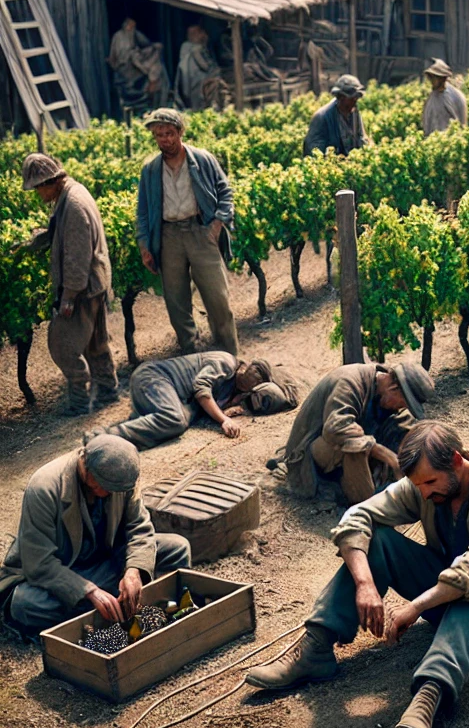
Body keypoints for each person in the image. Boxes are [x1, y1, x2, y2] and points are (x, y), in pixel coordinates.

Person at [245, 422, 469, 728]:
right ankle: (315, 649)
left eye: (430, 482)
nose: (424, 493)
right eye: (418, 485)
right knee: (379, 539)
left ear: (458, 462)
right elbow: (358, 516)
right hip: (451, 591)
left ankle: (430, 695)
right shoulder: (425, 486)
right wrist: (365, 585)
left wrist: (415, 607)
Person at [0, 435, 191, 635]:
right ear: (87, 470)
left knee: (177, 548)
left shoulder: (122, 476)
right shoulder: (44, 488)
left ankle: (121, 605)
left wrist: (134, 571)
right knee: (25, 603)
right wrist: (88, 592)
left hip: (106, 563)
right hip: (63, 574)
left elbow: (139, 527)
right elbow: (39, 563)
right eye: (104, 487)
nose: (110, 493)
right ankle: (119, 607)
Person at [18, 154, 117, 416]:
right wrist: (33, 242)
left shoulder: (72, 205)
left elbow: (76, 255)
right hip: (96, 282)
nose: (38, 194)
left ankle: (80, 402)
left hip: (83, 287)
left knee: (62, 345)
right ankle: (108, 391)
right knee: (96, 342)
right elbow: (60, 233)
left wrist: (68, 296)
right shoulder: (73, 193)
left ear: (50, 181)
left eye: (38, 188)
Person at [137, 108, 238, 356]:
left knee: (218, 299)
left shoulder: (202, 159)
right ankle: (193, 355)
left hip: (200, 230)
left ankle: (229, 355)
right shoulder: (150, 170)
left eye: (170, 133)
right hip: (168, 236)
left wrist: (216, 225)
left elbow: (225, 192)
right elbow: (142, 211)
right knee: (177, 303)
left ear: (180, 132)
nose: (165, 140)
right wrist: (144, 246)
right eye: (159, 135)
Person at [272, 362, 436, 506]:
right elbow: (335, 429)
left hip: (337, 458)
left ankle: (370, 484)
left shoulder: (381, 387)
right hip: (309, 457)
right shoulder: (349, 381)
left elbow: (404, 425)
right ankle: (368, 504)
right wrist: (388, 457)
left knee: (398, 427)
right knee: (355, 444)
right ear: (394, 388)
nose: (401, 408)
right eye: (403, 403)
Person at [106, 353, 298, 450]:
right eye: (254, 374)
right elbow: (201, 389)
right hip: (154, 377)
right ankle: (108, 437)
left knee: (179, 420)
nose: (252, 382)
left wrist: (225, 411)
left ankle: (126, 433)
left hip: (167, 393)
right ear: (246, 367)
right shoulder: (225, 362)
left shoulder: (239, 390)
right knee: (175, 420)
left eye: (256, 383)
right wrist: (223, 419)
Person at [107, 17, 170, 112]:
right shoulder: (118, 36)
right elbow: (115, 54)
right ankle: (148, 76)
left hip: (136, 60)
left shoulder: (135, 33)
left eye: (133, 26)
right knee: (139, 59)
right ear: (125, 25)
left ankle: (152, 84)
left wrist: (153, 46)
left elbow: (145, 43)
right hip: (125, 66)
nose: (132, 28)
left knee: (155, 56)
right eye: (130, 26)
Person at [303, 75, 370, 157]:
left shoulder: (354, 112)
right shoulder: (322, 117)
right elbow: (313, 151)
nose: (355, 101)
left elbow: (362, 137)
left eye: (356, 98)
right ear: (341, 97)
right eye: (352, 98)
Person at [176, 24, 223, 111]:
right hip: (196, 82)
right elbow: (205, 66)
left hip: (193, 83)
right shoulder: (194, 49)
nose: (203, 34)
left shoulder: (188, 48)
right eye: (199, 32)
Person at [421, 59, 467, 136]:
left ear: (442, 78)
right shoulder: (433, 96)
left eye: (434, 78)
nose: (432, 81)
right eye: (431, 77)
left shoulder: (454, 96)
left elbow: (460, 122)